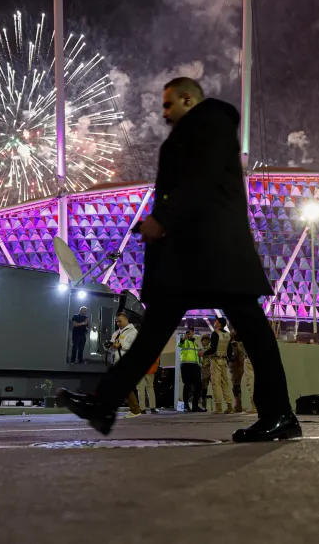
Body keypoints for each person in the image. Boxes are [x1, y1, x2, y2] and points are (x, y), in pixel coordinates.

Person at [59, 76, 300, 442]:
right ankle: (103, 402)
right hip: (195, 255)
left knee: (252, 331)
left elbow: (200, 180)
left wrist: (163, 219)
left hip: (214, 251)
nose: (165, 113)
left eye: (169, 104)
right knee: (158, 331)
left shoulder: (210, 123)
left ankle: (280, 414)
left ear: (189, 99)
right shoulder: (200, 130)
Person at [108, 312, 142, 417]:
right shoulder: (116, 333)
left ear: (126, 320)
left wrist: (120, 345)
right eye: (116, 321)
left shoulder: (132, 332)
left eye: (120, 321)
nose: (118, 323)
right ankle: (134, 409)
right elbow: (112, 346)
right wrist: (109, 345)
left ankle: (135, 410)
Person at [202, 317, 234, 414]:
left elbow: (213, 349)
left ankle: (218, 407)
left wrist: (203, 353)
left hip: (216, 360)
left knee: (216, 384)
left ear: (220, 324)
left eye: (216, 321)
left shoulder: (215, 333)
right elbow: (229, 350)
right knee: (225, 383)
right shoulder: (227, 335)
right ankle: (229, 406)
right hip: (224, 360)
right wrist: (227, 361)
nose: (214, 322)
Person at [178, 327, 202, 412]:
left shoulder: (195, 342)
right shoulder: (184, 340)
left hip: (195, 365)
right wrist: (185, 336)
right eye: (189, 331)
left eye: (192, 331)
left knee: (198, 385)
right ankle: (185, 405)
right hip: (186, 365)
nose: (190, 332)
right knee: (187, 385)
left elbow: (197, 353)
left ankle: (195, 405)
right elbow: (180, 344)